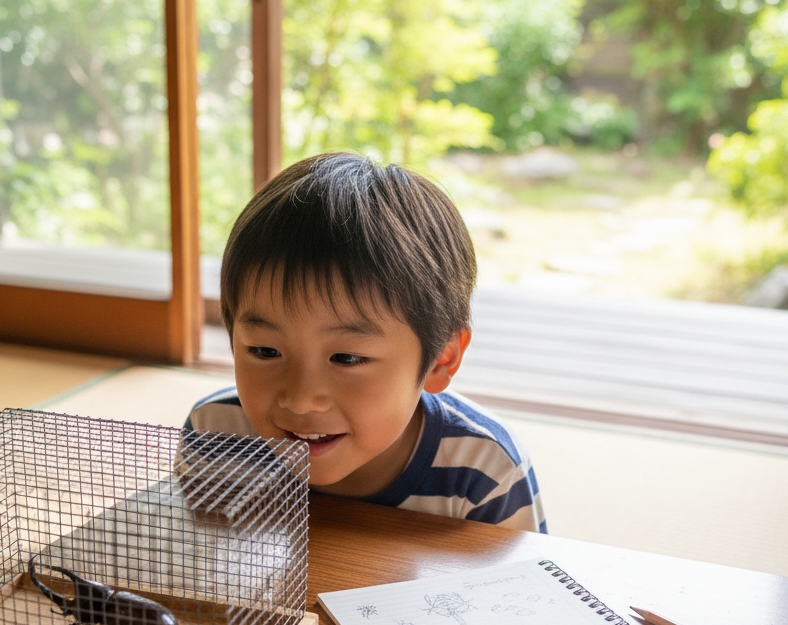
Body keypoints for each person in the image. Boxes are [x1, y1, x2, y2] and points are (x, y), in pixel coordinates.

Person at [187, 152, 546, 533]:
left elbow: (520, 590)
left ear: (441, 359)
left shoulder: (483, 470)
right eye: (264, 351)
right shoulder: (216, 437)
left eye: (345, 358)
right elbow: (200, 576)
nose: (301, 399)